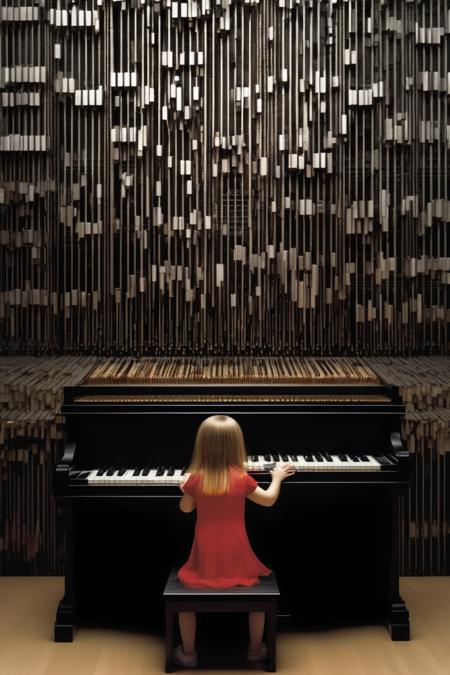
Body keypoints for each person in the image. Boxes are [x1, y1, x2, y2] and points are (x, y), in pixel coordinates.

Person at [172, 414, 294, 668]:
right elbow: (269, 500)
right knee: (255, 595)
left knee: (187, 590)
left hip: (205, 555)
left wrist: (184, 491)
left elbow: (185, 509)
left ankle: (189, 653)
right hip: (237, 553)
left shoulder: (196, 478)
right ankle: (253, 650)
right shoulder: (241, 478)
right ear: (236, 445)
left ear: (202, 445)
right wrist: (278, 477)